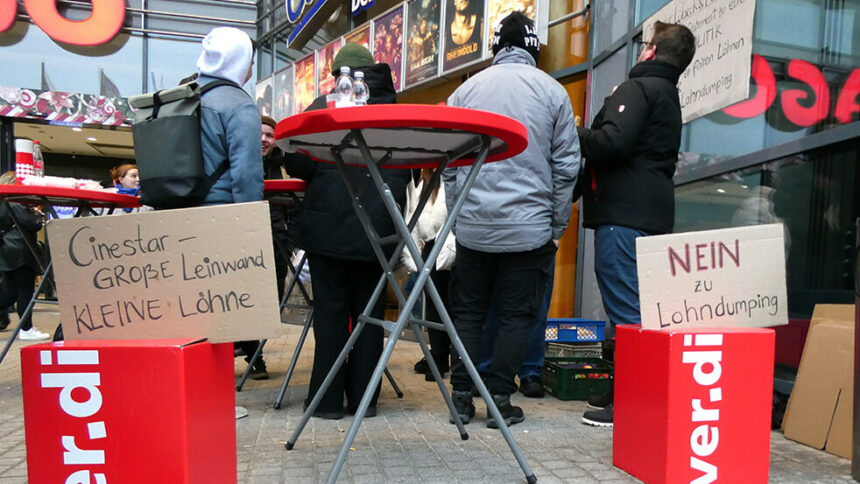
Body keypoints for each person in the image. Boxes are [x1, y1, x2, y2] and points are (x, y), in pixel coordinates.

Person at [443, 12, 580, 428]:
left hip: (473, 228)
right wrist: (555, 227)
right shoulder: (554, 93)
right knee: (515, 317)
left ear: (496, 49)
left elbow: (449, 165)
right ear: (533, 48)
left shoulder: (464, 92)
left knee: (468, 313)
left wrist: (457, 216)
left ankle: (462, 398)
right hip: (529, 228)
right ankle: (499, 399)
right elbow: (567, 168)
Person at [577, 21, 696, 427]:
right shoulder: (668, 94)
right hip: (653, 214)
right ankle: (622, 391)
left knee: (628, 314)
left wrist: (574, 133)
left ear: (650, 50)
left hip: (623, 216)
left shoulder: (638, 89)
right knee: (636, 310)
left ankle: (630, 404)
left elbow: (611, 143)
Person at [284, 44, 409, 420]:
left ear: (339, 73)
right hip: (380, 230)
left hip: (329, 228)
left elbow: (295, 160)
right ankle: (364, 401)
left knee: (331, 314)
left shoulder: (326, 103)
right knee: (369, 317)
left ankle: (324, 403)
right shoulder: (396, 109)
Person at [195, 27, 264, 419]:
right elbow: (246, 176)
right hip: (219, 219)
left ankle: (188, 393)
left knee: (188, 313)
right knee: (218, 314)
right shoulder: (238, 105)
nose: (253, 66)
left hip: (177, 216)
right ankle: (215, 400)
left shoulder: (185, 95)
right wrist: (248, 229)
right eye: (250, 58)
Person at [403, 169, 456, 382]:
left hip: (453, 243)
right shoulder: (423, 179)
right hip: (432, 247)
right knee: (435, 304)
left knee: (453, 305)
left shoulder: (448, 174)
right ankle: (439, 356)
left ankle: (452, 358)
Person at [0, 172, 49, 340]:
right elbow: (33, 224)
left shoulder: (3, 203)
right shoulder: (15, 203)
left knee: (10, 292)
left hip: (7, 251)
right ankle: (27, 329)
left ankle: (26, 329)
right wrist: (36, 214)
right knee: (25, 291)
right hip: (21, 250)